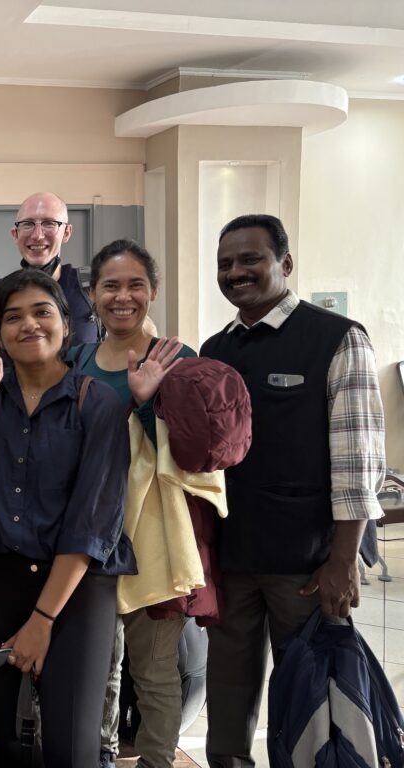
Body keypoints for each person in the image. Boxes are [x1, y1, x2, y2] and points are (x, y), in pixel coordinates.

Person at [199, 214, 385, 767]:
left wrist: (343, 558)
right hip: (233, 558)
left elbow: (358, 461)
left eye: (250, 259)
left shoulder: (337, 339)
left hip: (306, 567)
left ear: (285, 263)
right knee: (228, 694)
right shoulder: (216, 348)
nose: (237, 272)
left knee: (310, 694)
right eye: (226, 264)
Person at [0, 268, 134, 767]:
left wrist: (43, 620)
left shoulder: (97, 403)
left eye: (42, 312)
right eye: (13, 317)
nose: (29, 325)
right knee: (7, 736)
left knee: (72, 746)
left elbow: (93, 523)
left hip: (75, 588)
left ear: (66, 325)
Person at [68, 240, 192, 768]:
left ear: (154, 292)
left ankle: (159, 761)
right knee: (101, 663)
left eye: (135, 284)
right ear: (92, 295)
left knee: (155, 669)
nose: (123, 296)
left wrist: (145, 406)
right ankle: (101, 753)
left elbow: (197, 454)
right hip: (93, 535)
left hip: (151, 536)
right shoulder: (78, 358)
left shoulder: (177, 359)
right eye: (110, 286)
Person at [0, 192, 98, 353]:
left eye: (49, 223)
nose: (37, 235)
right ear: (15, 234)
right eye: (28, 224)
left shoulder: (92, 285)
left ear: (67, 232)